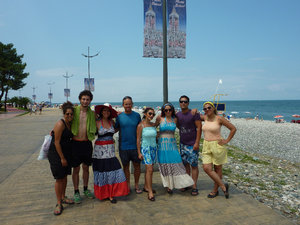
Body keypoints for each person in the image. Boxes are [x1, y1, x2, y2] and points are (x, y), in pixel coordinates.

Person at [93, 103, 129, 203]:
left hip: (110, 151)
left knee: (114, 170)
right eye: (104, 110)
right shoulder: (97, 122)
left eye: (108, 111)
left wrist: (121, 114)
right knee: (102, 170)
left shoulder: (112, 122)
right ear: (101, 112)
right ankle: (104, 194)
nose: (106, 112)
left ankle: (111, 194)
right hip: (99, 151)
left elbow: (116, 129)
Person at [201, 101, 236, 199]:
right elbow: (193, 116)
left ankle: (215, 190)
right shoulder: (204, 117)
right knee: (206, 168)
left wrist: (226, 140)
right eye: (205, 108)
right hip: (206, 144)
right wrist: (193, 111)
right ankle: (223, 185)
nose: (207, 110)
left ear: (213, 108)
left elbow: (233, 129)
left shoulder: (219, 118)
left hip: (217, 145)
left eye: (209, 108)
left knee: (217, 169)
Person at [157, 103, 194, 194]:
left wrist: (194, 112)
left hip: (172, 145)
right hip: (162, 146)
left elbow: (183, 127)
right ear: (163, 111)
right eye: (166, 110)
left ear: (172, 110)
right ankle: (168, 185)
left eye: (170, 110)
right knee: (165, 165)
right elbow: (152, 127)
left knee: (178, 164)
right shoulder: (160, 118)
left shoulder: (175, 119)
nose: (168, 111)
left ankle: (181, 184)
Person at [48, 101, 74, 216]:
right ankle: (58, 203)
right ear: (64, 114)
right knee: (59, 178)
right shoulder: (61, 124)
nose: (69, 116)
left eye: (71, 114)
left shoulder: (71, 123)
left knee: (64, 177)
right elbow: (56, 142)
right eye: (67, 114)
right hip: (57, 154)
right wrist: (62, 158)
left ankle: (63, 197)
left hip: (66, 153)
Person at [71, 90, 96, 203]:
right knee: (76, 169)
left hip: (87, 143)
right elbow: (65, 120)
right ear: (80, 99)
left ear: (90, 101)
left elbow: (105, 116)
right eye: (83, 99)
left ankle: (85, 189)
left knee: (86, 168)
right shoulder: (74, 111)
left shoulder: (92, 114)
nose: (85, 101)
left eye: (87, 99)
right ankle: (76, 191)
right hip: (75, 143)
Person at [115, 96, 142, 193]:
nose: (128, 106)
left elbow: (141, 129)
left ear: (132, 104)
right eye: (126, 104)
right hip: (123, 146)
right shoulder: (119, 117)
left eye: (130, 104)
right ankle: (127, 185)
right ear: (123, 105)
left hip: (135, 146)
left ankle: (136, 185)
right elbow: (115, 129)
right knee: (125, 167)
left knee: (137, 167)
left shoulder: (137, 116)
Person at [176, 95, 202, 196]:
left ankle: (194, 186)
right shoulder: (178, 115)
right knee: (185, 165)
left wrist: (197, 142)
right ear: (179, 103)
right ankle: (187, 183)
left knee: (194, 165)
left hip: (192, 144)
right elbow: (178, 126)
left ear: (188, 103)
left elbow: (199, 128)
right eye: (181, 101)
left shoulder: (193, 114)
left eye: (185, 101)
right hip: (182, 144)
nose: (183, 103)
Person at [137, 107, 157, 201]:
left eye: (153, 114)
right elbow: (138, 140)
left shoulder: (153, 125)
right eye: (150, 113)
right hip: (145, 149)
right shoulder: (141, 125)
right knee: (150, 169)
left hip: (153, 149)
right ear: (145, 114)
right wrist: (139, 152)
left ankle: (146, 186)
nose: (151, 116)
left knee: (149, 170)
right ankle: (150, 192)